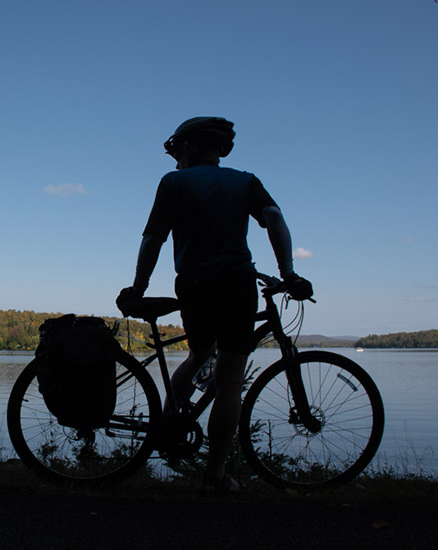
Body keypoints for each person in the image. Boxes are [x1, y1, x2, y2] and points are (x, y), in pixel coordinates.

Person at [117, 116, 312, 493]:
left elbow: (153, 238)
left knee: (200, 353)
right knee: (230, 382)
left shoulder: (173, 182)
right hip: (238, 282)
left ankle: (170, 421)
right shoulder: (244, 181)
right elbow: (273, 216)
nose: (175, 161)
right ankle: (216, 476)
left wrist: (138, 287)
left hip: (195, 283)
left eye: (177, 152)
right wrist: (287, 272)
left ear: (188, 148)